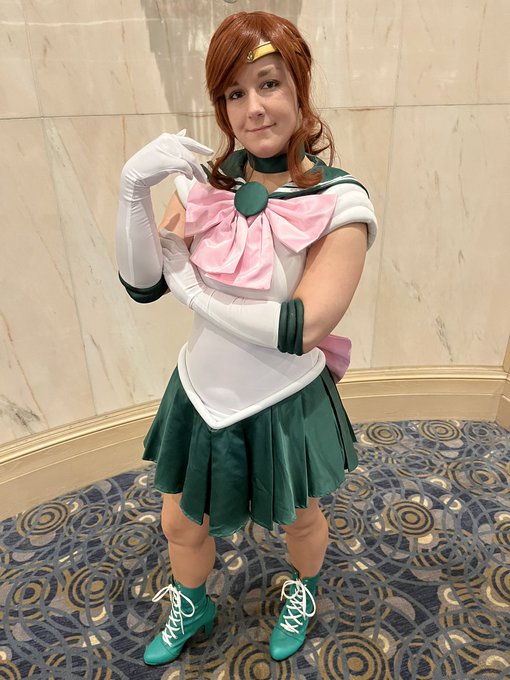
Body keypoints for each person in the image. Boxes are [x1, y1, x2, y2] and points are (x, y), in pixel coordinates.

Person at [115, 10, 377, 666]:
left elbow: (302, 326)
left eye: (269, 84)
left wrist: (197, 294)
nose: (253, 107)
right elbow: (143, 284)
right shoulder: (206, 184)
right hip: (202, 390)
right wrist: (132, 191)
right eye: (235, 92)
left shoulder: (339, 200)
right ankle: (193, 602)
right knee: (180, 521)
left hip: (285, 393)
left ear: (299, 88)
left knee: (299, 515)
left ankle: (304, 589)